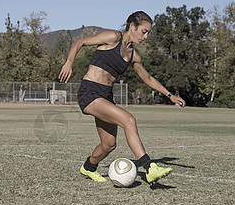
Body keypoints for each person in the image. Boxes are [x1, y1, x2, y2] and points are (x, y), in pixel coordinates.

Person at [58, 11, 186, 184]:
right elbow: (80, 42)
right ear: (132, 26)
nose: (146, 36)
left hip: (106, 96)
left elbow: (147, 78)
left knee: (109, 144)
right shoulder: (112, 37)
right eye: (144, 31)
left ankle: (88, 167)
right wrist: (69, 62)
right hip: (90, 92)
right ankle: (149, 168)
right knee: (129, 120)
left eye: (148, 33)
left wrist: (169, 95)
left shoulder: (133, 56)